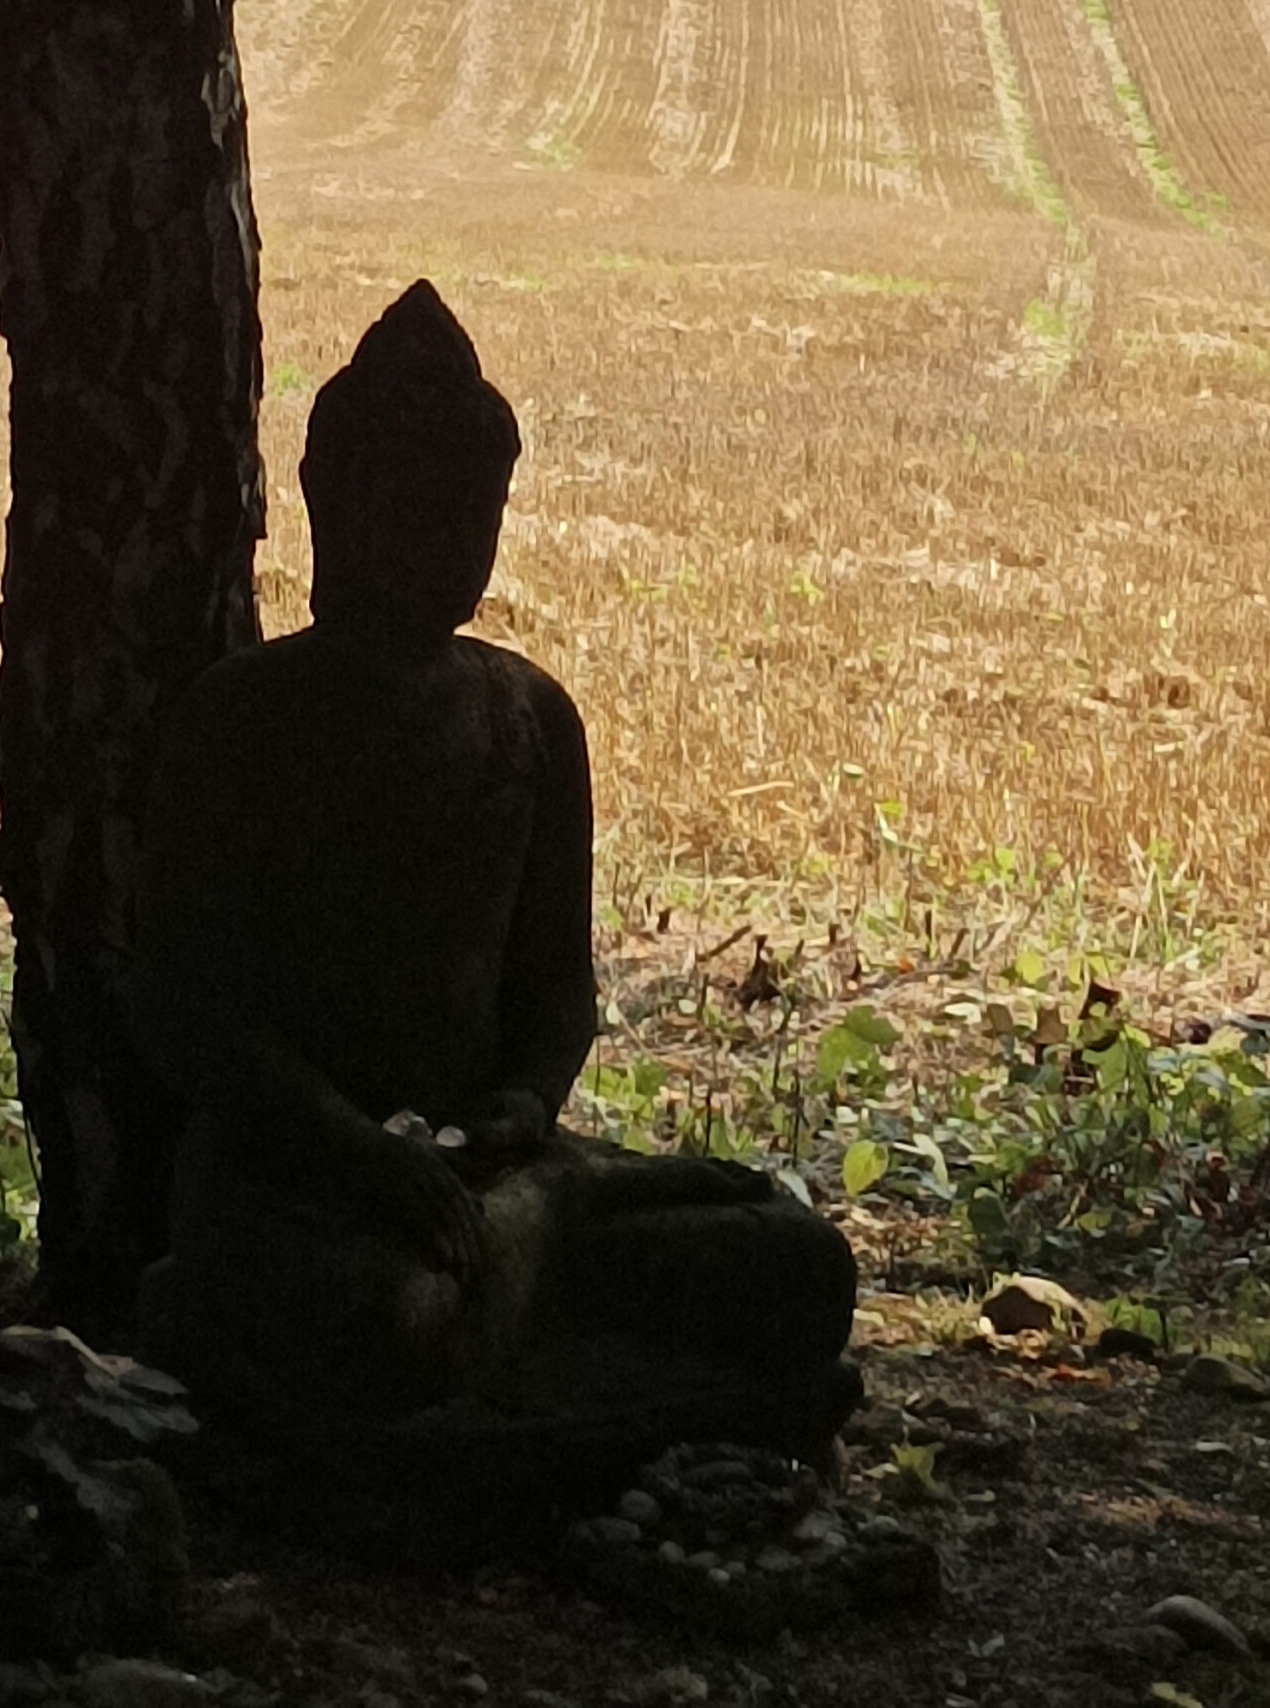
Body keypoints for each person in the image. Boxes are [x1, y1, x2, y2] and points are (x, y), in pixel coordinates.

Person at [129, 282, 858, 1463]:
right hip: (302, 1187)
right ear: (327, 501)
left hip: (500, 1176)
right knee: (392, 1317)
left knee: (793, 1260)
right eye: (412, 510)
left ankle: (512, 1367)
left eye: (473, 513)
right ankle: (536, 1394)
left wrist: (521, 1105)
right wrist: (357, 1149)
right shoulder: (242, 721)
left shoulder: (526, 717)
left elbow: (554, 984)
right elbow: (179, 1004)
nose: (446, 544)